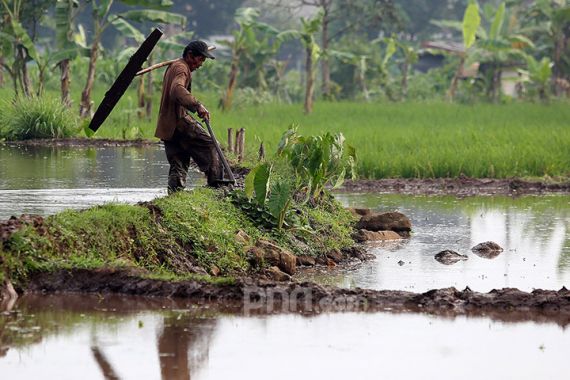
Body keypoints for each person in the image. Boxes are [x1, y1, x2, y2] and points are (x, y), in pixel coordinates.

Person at [155, 40, 222, 193]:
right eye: (200, 59)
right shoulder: (181, 68)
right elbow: (177, 89)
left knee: (179, 159)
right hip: (179, 121)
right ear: (190, 55)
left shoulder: (176, 66)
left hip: (167, 124)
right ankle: (218, 186)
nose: (201, 64)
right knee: (211, 145)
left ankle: (175, 194)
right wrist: (197, 105)